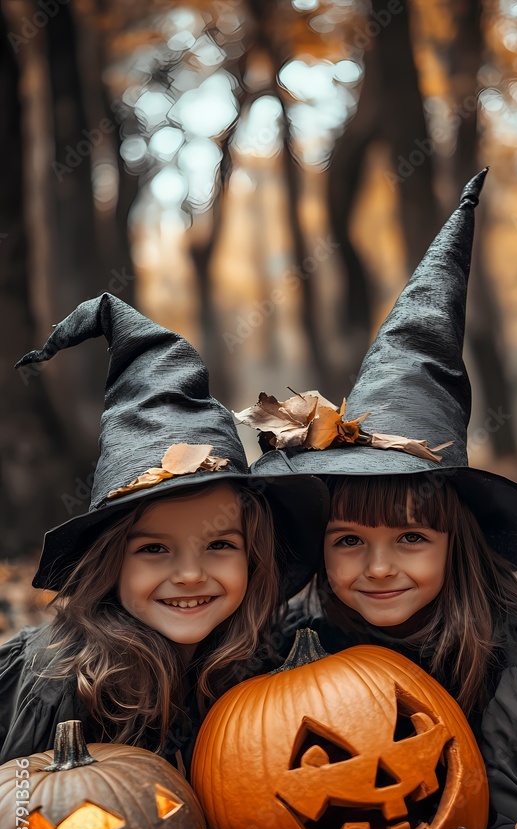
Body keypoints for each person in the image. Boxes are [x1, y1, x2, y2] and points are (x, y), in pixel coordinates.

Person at [237, 169, 517, 829]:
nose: (378, 567)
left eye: (412, 536)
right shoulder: (295, 643)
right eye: (349, 540)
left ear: (457, 544)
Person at [0, 294, 328, 773]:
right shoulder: (56, 682)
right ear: (110, 563)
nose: (191, 574)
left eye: (219, 545)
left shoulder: (274, 652)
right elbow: (20, 821)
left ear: (254, 556)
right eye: (154, 549)